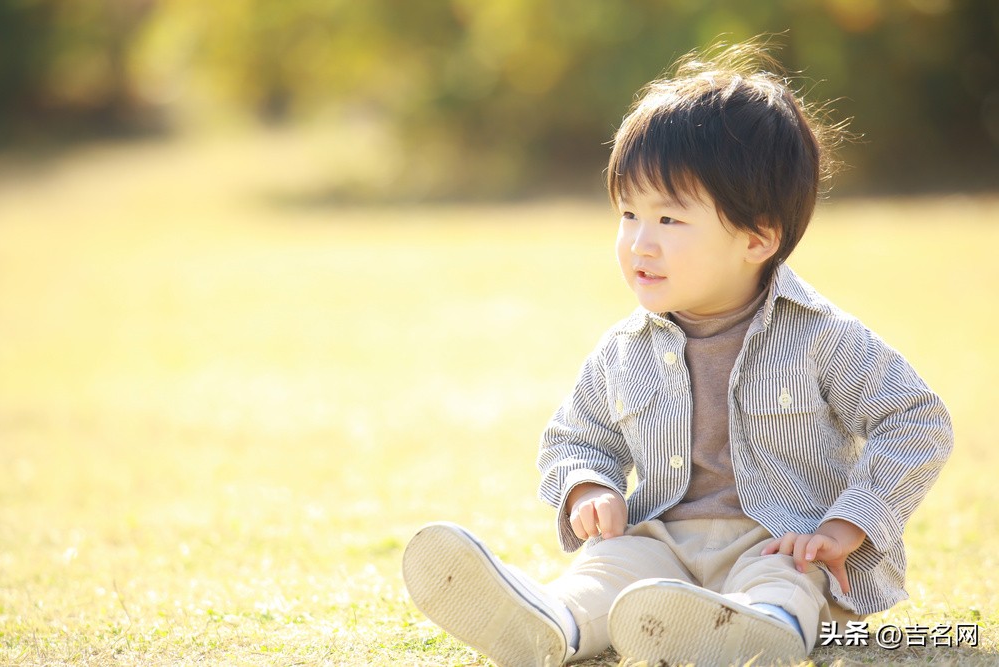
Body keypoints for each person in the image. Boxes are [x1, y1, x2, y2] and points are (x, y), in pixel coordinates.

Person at [402, 38, 953, 666]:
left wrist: (846, 525)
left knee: (784, 583)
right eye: (628, 214)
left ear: (757, 238)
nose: (640, 242)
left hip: (780, 543)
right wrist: (588, 488)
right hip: (661, 540)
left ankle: (764, 629)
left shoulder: (822, 337)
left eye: (668, 220)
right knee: (609, 570)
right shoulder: (624, 349)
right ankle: (553, 624)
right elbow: (575, 437)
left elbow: (916, 421)